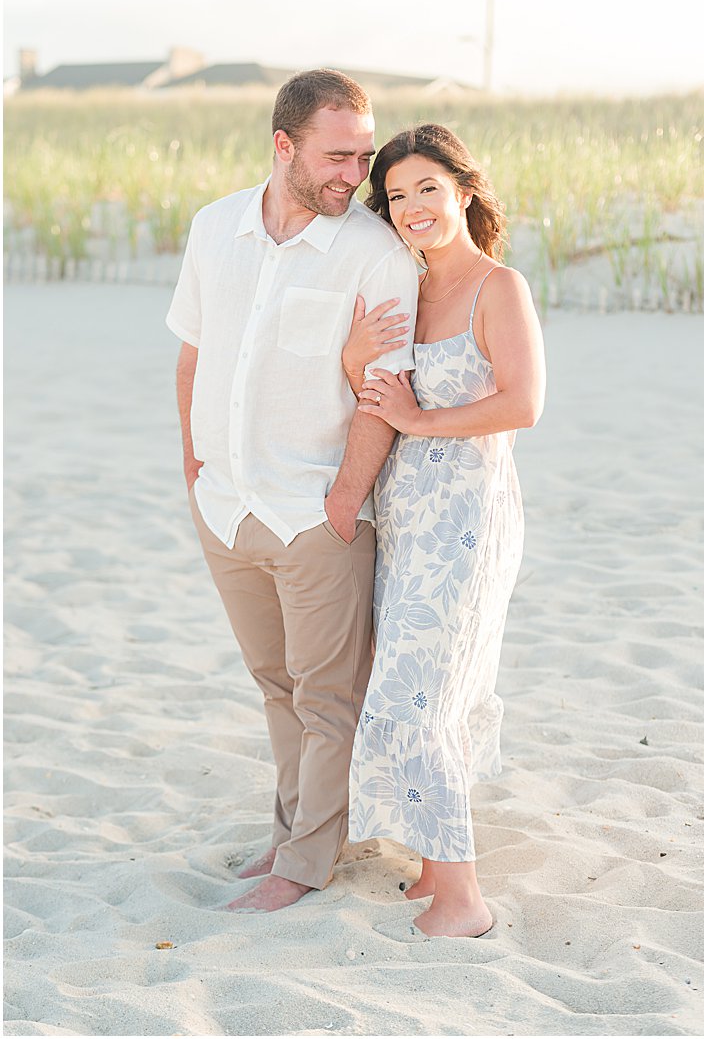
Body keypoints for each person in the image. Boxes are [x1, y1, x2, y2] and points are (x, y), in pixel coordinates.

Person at [167, 70, 419, 912]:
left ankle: (305, 863)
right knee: (274, 682)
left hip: (315, 513)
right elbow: (193, 355)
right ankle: (292, 829)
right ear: (284, 146)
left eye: (364, 153)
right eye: (338, 155)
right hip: (226, 505)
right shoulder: (213, 230)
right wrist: (193, 466)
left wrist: (344, 500)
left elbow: (382, 390)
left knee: (326, 696)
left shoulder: (375, 254)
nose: (358, 173)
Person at [339, 123, 546, 937]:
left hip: (467, 518)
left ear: (464, 190)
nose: (414, 206)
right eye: (396, 195)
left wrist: (422, 421)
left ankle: (464, 899)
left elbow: (524, 404)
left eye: (428, 187)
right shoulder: (404, 287)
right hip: (404, 516)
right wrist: (358, 362)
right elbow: (375, 396)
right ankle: (432, 869)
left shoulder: (501, 286)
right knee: (421, 688)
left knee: (416, 698)